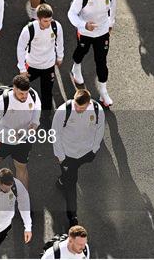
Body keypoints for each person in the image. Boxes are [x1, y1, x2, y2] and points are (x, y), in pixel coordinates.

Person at [52, 89, 105, 228]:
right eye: (76, 105)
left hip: (86, 153)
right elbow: (55, 133)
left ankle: (62, 180)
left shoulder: (97, 110)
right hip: (68, 155)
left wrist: (94, 150)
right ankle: (72, 216)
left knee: (69, 176)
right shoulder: (64, 111)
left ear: (88, 103)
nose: (77, 109)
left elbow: (100, 130)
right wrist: (60, 156)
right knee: (72, 184)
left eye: (81, 108)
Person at [68, 0, 116, 107]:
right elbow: (71, 14)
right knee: (82, 51)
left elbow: (112, 10)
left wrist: (110, 25)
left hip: (102, 32)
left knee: (101, 60)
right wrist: (84, 25)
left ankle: (103, 91)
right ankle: (76, 68)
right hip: (85, 31)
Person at [0, 75, 41, 189]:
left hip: (24, 139)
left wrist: (35, 122)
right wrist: (10, 133)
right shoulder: (2, 103)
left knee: (21, 167)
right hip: (4, 140)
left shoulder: (32, 94)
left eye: (26, 93)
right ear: (14, 88)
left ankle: (23, 198)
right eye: (21, 93)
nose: (24, 96)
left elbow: (37, 107)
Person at [17, 3, 64, 114]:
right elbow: (20, 48)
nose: (48, 23)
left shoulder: (56, 26)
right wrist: (22, 69)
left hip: (49, 66)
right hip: (32, 65)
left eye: (50, 20)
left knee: (47, 93)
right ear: (38, 19)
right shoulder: (29, 29)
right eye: (45, 21)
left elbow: (60, 42)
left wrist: (60, 57)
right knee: (21, 87)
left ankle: (46, 116)